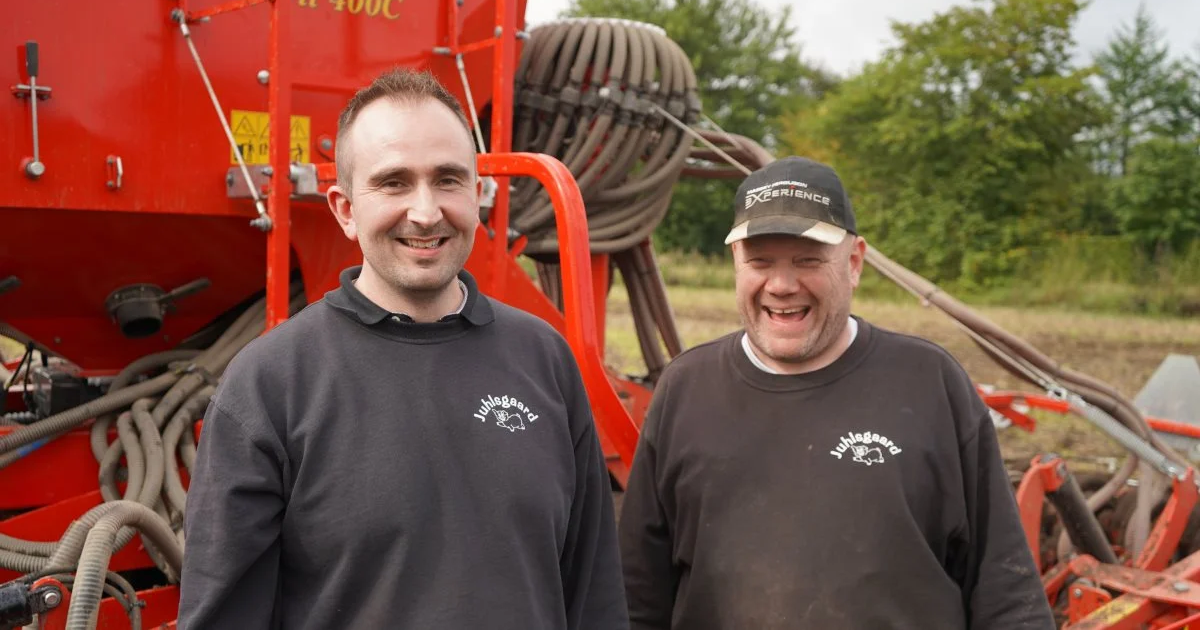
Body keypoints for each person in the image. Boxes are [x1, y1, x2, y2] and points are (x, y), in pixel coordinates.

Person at [179, 69, 629, 629]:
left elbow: (593, 596)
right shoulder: (271, 384)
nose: (425, 212)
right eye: (393, 182)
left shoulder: (544, 359)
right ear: (344, 209)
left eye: (448, 180)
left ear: (477, 193)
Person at [617, 156, 1055, 629]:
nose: (782, 286)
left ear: (854, 263)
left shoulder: (930, 383)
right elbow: (637, 598)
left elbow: (1006, 594)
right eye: (760, 261)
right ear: (736, 265)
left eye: (808, 261)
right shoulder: (686, 391)